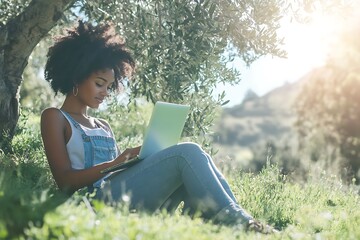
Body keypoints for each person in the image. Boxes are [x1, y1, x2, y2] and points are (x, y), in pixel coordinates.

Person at [40, 20, 277, 234]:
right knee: (188, 152)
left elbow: (117, 173)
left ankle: (229, 225)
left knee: (194, 158)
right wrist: (115, 162)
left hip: (122, 192)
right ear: (76, 75)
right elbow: (65, 181)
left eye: (109, 86)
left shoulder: (102, 125)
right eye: (99, 84)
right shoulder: (55, 117)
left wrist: (139, 159)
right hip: (95, 202)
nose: (105, 92)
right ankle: (242, 225)